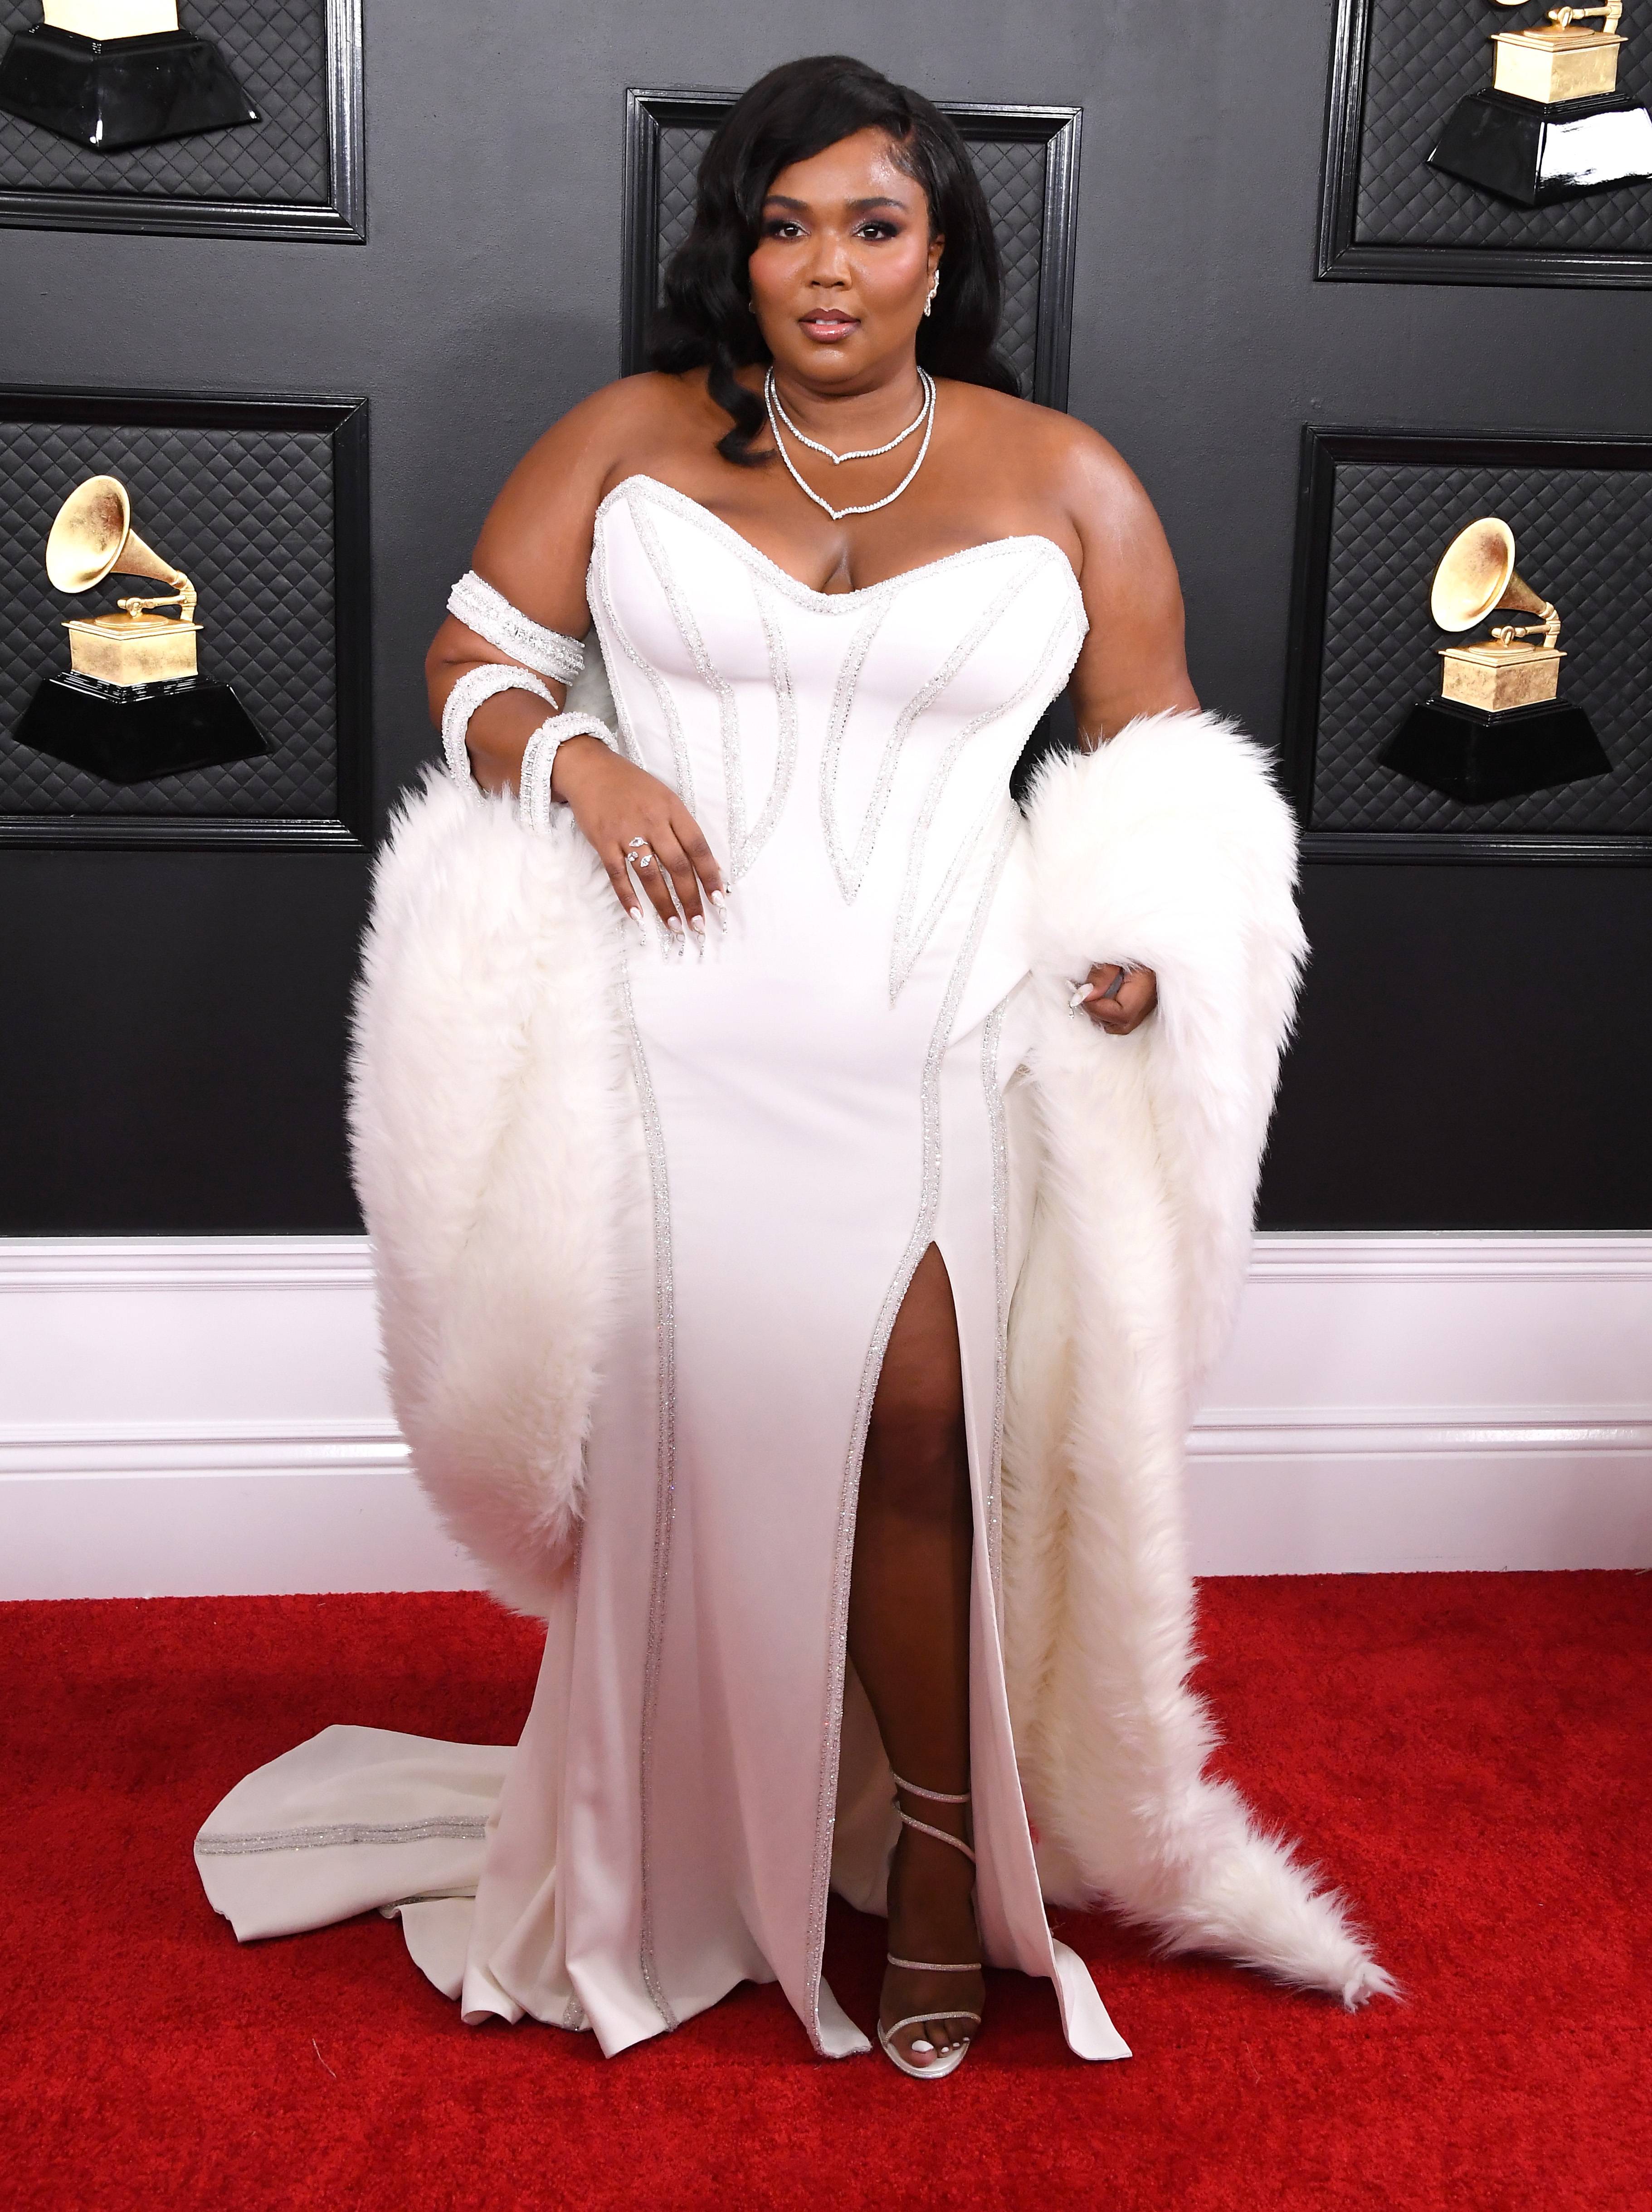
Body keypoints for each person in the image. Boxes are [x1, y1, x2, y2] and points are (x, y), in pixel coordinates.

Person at [195, 54, 1390, 2077]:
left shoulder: (1062, 476)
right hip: (671, 1039)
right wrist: (577, 755)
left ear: (941, 251)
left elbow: (1167, 768)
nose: (822, 268)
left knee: (915, 1439)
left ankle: (933, 1855)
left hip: (930, 1028)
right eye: (780, 223)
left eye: (871, 223)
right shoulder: (633, 435)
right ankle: (662, 1836)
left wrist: (1139, 943)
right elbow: (474, 658)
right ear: (729, 248)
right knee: (685, 1442)